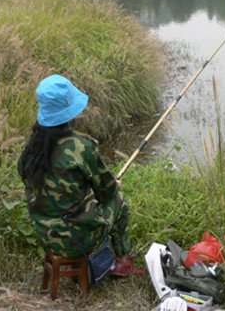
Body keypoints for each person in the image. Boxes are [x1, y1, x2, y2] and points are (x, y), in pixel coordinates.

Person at [18, 74, 144, 277]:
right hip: (80, 241)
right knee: (118, 200)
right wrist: (115, 186)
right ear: (69, 111)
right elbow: (107, 192)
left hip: (46, 237)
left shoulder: (31, 151)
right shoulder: (81, 147)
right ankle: (122, 261)